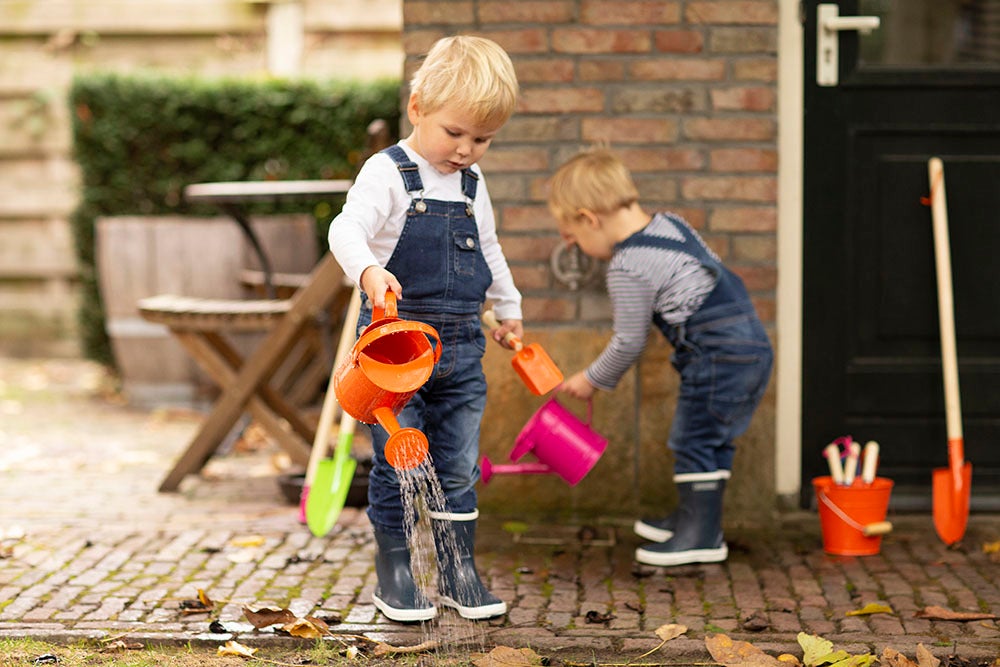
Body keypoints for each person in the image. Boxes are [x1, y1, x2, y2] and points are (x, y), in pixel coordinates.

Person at [328, 35, 522, 622]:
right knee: (397, 461)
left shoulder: (472, 184)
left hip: (461, 348)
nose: (466, 150)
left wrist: (508, 306)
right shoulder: (386, 173)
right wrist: (367, 270)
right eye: (455, 133)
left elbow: (487, 247)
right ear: (418, 109)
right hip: (393, 353)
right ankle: (396, 576)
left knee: (459, 464)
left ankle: (458, 572)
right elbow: (345, 228)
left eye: (482, 139)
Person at [547, 148, 773, 567]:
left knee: (692, 440)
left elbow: (629, 341)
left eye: (573, 237)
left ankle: (699, 537)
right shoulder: (671, 225)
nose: (574, 245)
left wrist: (591, 379)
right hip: (750, 349)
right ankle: (697, 521)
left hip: (717, 357)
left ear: (589, 219)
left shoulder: (628, 265)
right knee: (712, 440)